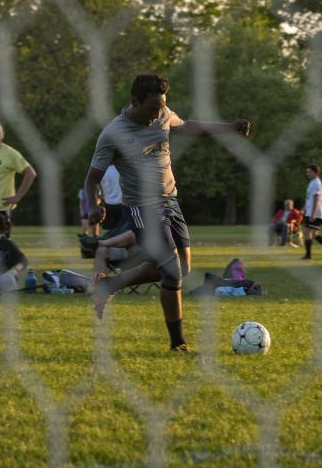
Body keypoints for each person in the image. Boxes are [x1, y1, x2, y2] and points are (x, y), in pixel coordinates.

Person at [83, 74, 250, 353]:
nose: (157, 114)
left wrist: (228, 128)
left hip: (170, 201)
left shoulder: (162, 114)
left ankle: (110, 284)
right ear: (135, 102)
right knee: (172, 272)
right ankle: (178, 343)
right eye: (151, 109)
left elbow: (186, 126)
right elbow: (91, 179)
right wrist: (92, 206)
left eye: (161, 107)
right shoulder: (113, 134)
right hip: (141, 207)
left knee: (180, 268)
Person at [301, 164, 322, 260]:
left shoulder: (316, 183)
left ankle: (308, 255)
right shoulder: (312, 183)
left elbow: (316, 199)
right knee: (314, 234)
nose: (308, 174)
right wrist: (303, 208)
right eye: (307, 172)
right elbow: (309, 198)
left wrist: (313, 214)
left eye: (310, 172)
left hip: (315, 212)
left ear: (316, 172)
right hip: (311, 211)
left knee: (307, 232)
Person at [99, 165, 124, 231]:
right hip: (121, 203)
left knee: (109, 231)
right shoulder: (121, 169)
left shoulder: (102, 171)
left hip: (107, 203)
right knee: (121, 230)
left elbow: (100, 187)